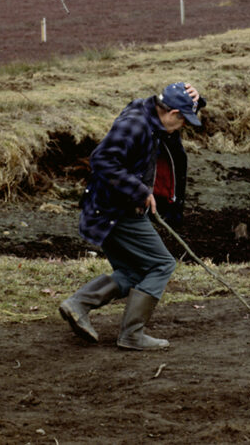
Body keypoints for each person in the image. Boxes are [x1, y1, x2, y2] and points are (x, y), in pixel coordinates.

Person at [60, 80, 201, 350]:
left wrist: (197, 99)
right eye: (183, 121)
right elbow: (102, 160)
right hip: (115, 212)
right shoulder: (136, 124)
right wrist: (139, 190)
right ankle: (132, 335)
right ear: (173, 114)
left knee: (133, 271)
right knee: (162, 264)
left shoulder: (149, 114)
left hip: (111, 208)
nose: (182, 128)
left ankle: (78, 304)